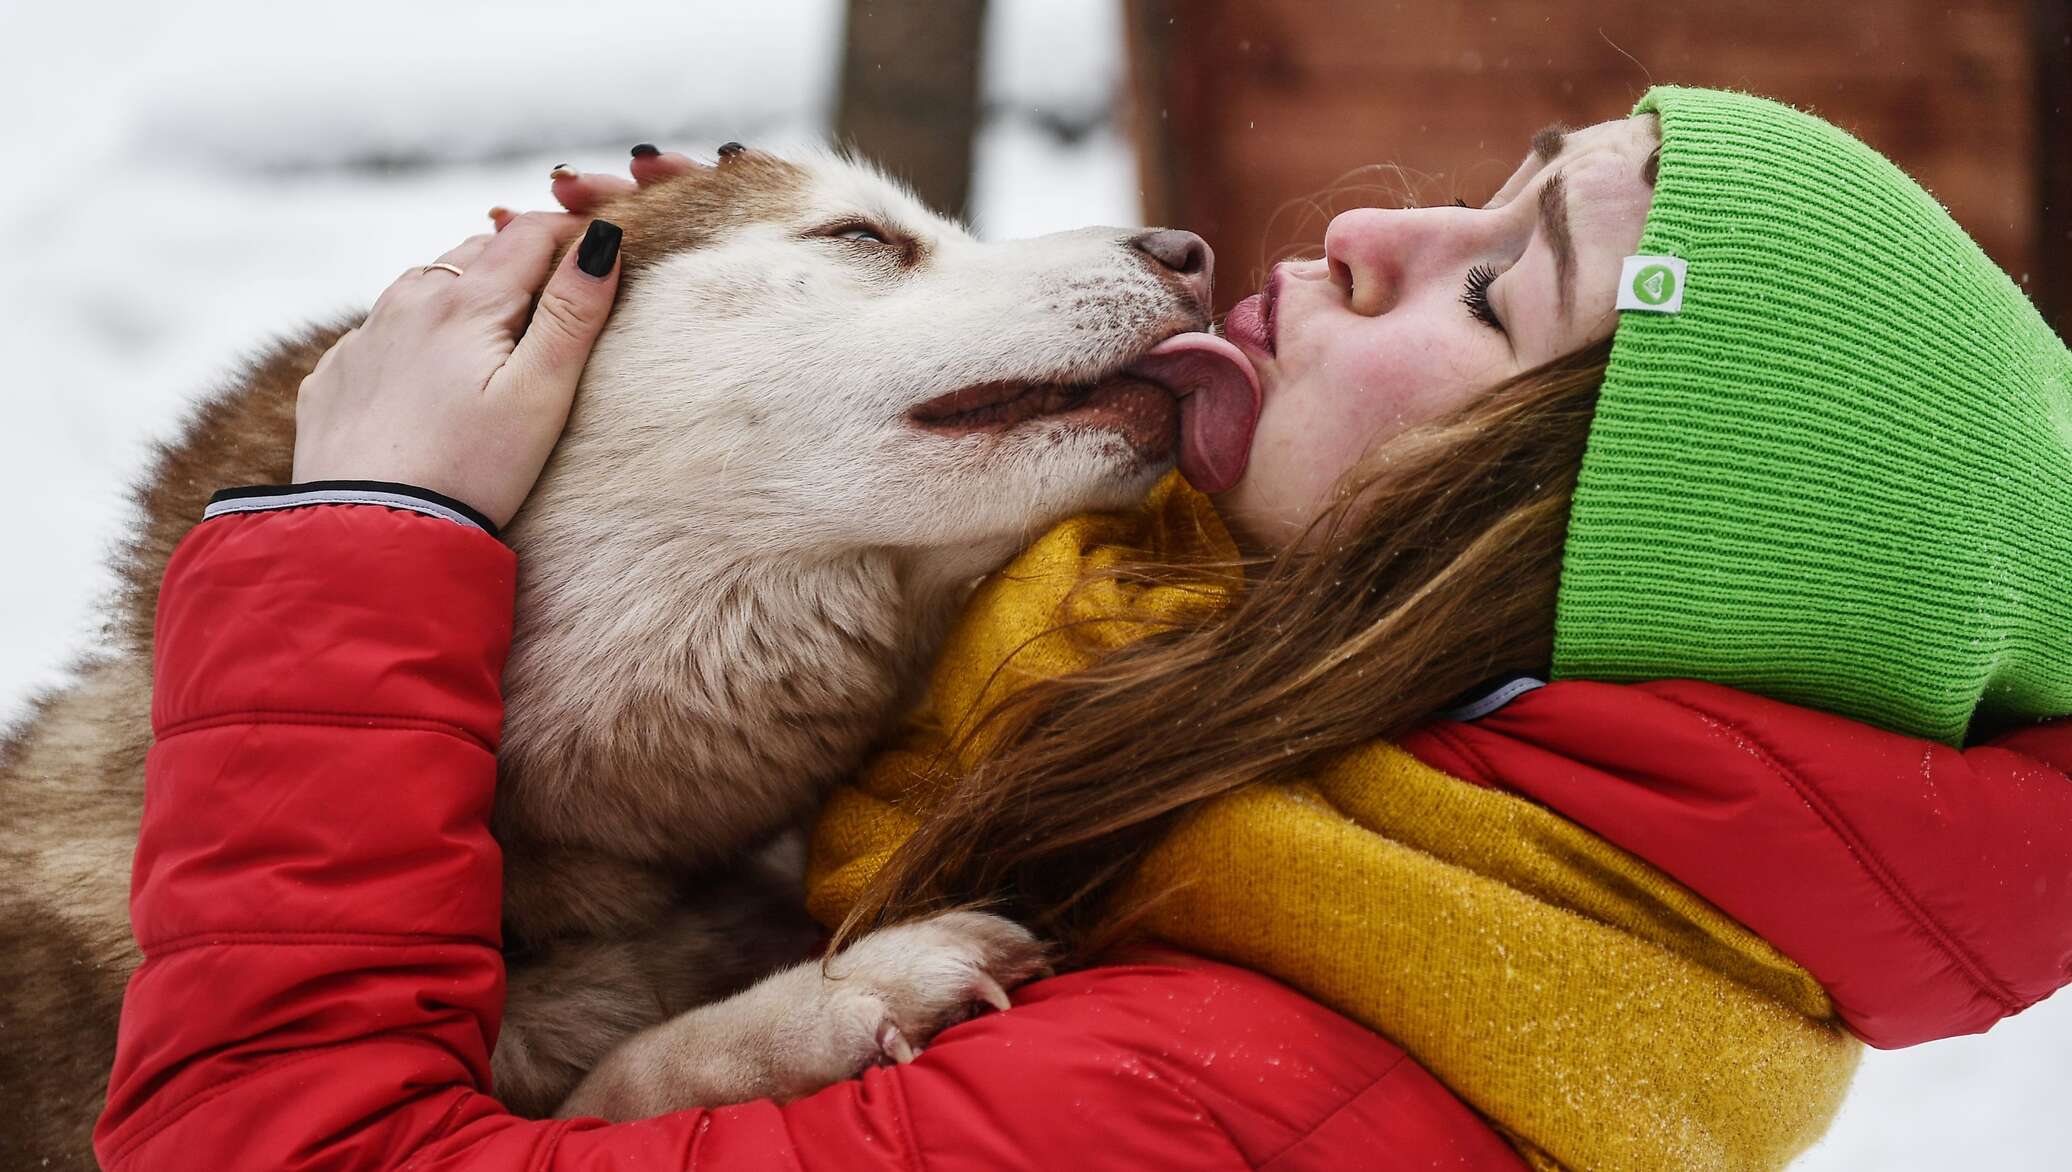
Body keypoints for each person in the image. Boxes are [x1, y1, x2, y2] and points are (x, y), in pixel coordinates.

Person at [100, 87, 2070, 1171]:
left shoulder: (1212, 1105)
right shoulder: (1231, 827)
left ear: (1534, 567)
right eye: (1484, 194)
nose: (1378, 229)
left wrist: (364, 530)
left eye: (1488, 295)